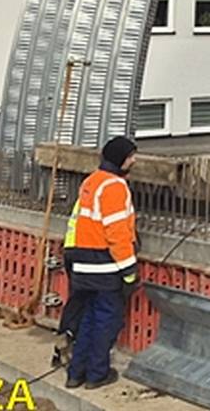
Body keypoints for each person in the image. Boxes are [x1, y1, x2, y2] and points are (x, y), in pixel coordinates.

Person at [62, 135, 139, 390]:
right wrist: (130, 272)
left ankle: (76, 373)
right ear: (120, 159)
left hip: (82, 265)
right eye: (131, 156)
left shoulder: (92, 181)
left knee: (87, 320)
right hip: (105, 267)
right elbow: (117, 234)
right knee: (106, 321)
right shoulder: (114, 187)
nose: (134, 160)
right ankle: (97, 375)